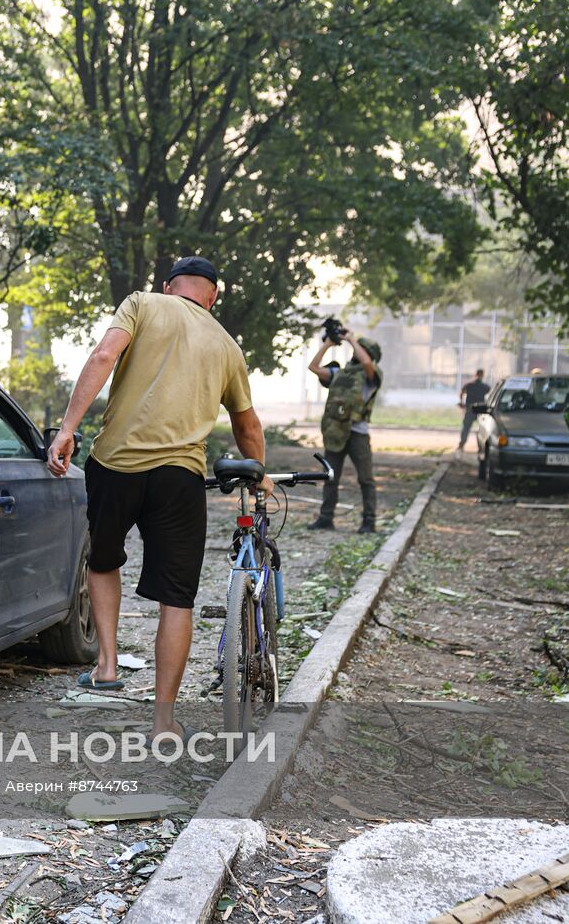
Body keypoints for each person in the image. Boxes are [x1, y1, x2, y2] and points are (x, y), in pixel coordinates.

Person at [47, 256, 271, 743]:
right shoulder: (226, 344)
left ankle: (107, 665)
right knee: (177, 599)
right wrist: (261, 476)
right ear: (213, 297)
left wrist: (68, 430)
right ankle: (163, 720)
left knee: (103, 560)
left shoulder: (142, 303)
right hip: (179, 477)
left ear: (169, 286)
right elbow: (246, 424)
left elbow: (104, 356)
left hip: (114, 465)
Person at [307, 327, 381, 534]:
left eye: (361, 349)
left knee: (366, 479)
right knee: (330, 476)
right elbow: (313, 367)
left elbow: (366, 363)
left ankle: (369, 520)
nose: (356, 351)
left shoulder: (371, 375)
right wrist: (328, 344)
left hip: (358, 433)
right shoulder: (340, 373)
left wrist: (350, 339)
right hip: (336, 433)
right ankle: (325, 517)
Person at [458, 369, 490, 453]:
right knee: (481, 429)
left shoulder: (469, 385)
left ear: (476, 374)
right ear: (482, 375)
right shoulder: (485, 387)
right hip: (480, 410)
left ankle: (461, 445)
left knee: (466, 428)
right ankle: (481, 448)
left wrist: (462, 403)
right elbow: (490, 395)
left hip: (470, 409)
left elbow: (461, 393)